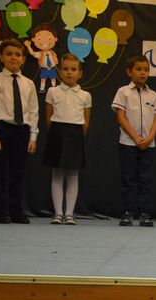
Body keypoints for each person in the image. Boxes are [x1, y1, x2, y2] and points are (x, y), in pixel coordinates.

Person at [0, 38, 38, 224]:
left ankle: (16, 210)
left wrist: (33, 136)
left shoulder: (29, 83)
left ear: (23, 58)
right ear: (1, 57)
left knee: (18, 172)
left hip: (22, 129)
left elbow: (33, 111)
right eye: (9, 54)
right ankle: (0, 211)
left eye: (17, 55)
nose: (13, 58)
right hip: (2, 127)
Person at [112, 55, 156, 227]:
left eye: (146, 70)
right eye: (139, 69)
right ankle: (128, 212)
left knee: (145, 180)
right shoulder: (123, 92)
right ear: (129, 72)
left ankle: (144, 213)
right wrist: (135, 137)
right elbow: (121, 117)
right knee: (128, 179)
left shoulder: (153, 95)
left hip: (148, 144)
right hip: (128, 143)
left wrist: (149, 138)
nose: (143, 73)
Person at [44, 53, 90, 225]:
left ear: (80, 73)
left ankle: (69, 213)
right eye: (65, 69)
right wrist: (56, 131)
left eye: (73, 69)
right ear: (60, 72)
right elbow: (48, 117)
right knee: (57, 174)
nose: (69, 72)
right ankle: (58, 213)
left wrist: (76, 134)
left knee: (73, 175)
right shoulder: (52, 91)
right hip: (57, 131)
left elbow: (86, 121)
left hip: (76, 133)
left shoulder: (85, 95)